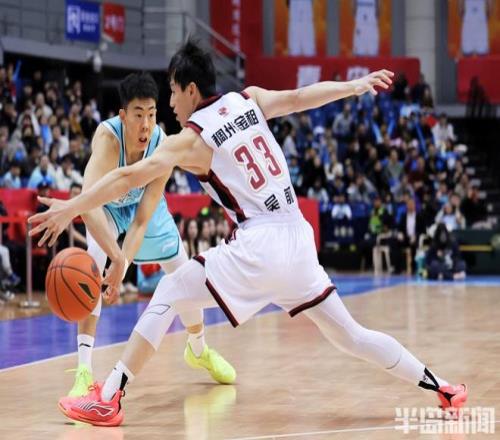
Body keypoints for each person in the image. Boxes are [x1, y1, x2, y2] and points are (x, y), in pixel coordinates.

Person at [29, 41, 467, 427]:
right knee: (351, 335)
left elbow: (127, 178)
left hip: (260, 244)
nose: (170, 102)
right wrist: (353, 86)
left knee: (170, 289)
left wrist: (72, 206)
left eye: (173, 91)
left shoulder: (190, 139)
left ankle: (108, 398)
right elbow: (299, 98)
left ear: (190, 89)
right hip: (298, 238)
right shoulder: (248, 99)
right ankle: (442, 386)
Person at [53, 72, 237, 400]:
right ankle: (83, 370)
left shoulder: (162, 145)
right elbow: (88, 204)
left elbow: (142, 220)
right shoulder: (107, 140)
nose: (146, 124)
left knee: (184, 274)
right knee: (91, 263)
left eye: (151, 114)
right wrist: (114, 257)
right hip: (106, 209)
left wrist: (122, 263)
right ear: (123, 116)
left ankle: (198, 349)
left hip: (144, 211)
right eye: (138, 115)